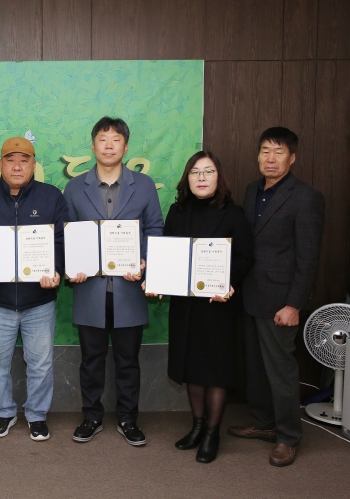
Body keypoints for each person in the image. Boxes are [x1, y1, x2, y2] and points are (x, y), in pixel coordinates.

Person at [63, 117, 163, 446]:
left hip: (128, 288)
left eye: (116, 139)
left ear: (126, 146)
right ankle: (91, 416)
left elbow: (154, 228)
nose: (109, 145)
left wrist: (145, 261)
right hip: (90, 288)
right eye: (103, 139)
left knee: (127, 360)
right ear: (93, 146)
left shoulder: (143, 185)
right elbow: (67, 234)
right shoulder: (75, 187)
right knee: (91, 359)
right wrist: (73, 265)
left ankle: (127, 418)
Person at [228, 127, 325, 467]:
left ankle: (288, 436)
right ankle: (263, 422)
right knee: (255, 367)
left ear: (292, 157)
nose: (270, 158)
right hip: (250, 294)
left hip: (281, 300)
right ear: (258, 155)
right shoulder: (251, 190)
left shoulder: (306, 197)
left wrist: (294, 304)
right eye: (265, 151)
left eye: (279, 152)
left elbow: (308, 258)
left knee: (280, 371)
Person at [149, 151, 253, 463]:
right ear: (187, 178)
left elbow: (245, 256)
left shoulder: (233, 213)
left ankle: (212, 432)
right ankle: (196, 426)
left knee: (216, 370)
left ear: (219, 177)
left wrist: (228, 284)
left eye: (208, 172)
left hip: (217, 305)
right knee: (191, 365)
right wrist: (157, 280)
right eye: (195, 172)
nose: (202, 178)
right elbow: (167, 254)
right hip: (186, 305)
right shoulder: (177, 211)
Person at [0, 136, 67, 441]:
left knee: (41, 364)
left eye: (24, 160)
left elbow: (61, 241)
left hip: (39, 300)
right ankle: (3, 412)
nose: (17, 166)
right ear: (0, 165)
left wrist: (56, 271)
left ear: (34, 165)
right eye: (10, 160)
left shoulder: (51, 196)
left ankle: (37, 415)